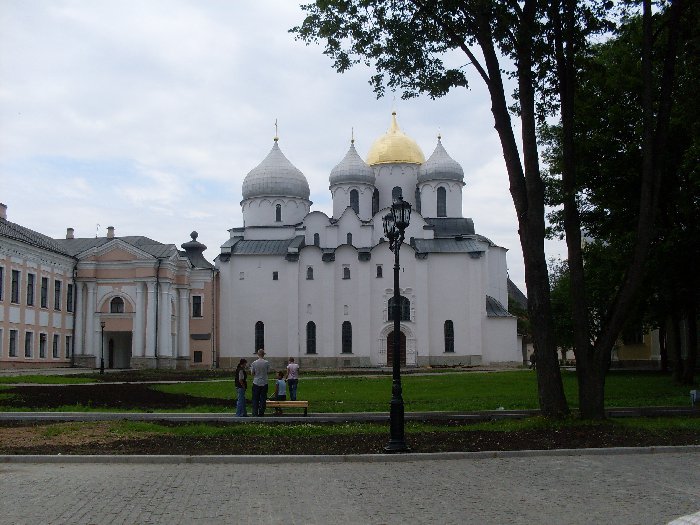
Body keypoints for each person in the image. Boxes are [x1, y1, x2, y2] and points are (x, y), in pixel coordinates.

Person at [250, 349, 270, 416]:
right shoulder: (266, 362)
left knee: (255, 398)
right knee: (263, 398)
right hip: (264, 382)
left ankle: (255, 412)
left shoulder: (254, 363)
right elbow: (268, 371)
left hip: (256, 382)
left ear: (258, 354)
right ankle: (261, 412)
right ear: (263, 354)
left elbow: (252, 373)